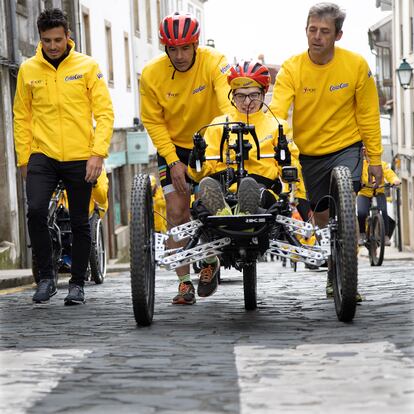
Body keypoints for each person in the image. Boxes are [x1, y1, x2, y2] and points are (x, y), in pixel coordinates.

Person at [269, 2, 383, 299]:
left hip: (347, 146)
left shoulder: (356, 65)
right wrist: (276, 146)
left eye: (324, 31)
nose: (317, 37)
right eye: (312, 30)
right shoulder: (292, 68)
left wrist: (376, 159)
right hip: (308, 154)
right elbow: (278, 114)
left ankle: (348, 278)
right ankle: (334, 268)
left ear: (338, 35)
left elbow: (369, 115)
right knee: (322, 219)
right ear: (305, 31)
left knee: (343, 210)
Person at [13, 8, 114, 305]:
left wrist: (97, 153)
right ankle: (46, 278)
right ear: (40, 39)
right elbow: (22, 117)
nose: (53, 45)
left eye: (58, 39)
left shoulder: (87, 66)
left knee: (80, 221)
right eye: (47, 40)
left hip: (80, 155)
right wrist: (23, 159)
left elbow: (105, 113)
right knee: (35, 211)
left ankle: (77, 284)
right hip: (42, 155)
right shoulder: (28, 69)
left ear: (68, 36)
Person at [188, 60, 304, 298]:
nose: (247, 102)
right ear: (232, 96)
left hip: (262, 193)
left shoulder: (277, 126)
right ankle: (228, 216)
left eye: (253, 95)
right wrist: (196, 159)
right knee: (206, 186)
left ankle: (240, 213)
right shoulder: (218, 125)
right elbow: (199, 172)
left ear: (264, 94)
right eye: (240, 96)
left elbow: (291, 166)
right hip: (224, 191)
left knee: (251, 187)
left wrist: (288, 168)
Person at [140, 12, 234, 305]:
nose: (179, 56)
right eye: (172, 49)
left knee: (208, 206)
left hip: (211, 143)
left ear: (195, 44)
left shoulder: (214, 61)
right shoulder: (152, 74)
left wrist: (221, 142)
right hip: (174, 147)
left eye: (185, 48)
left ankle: (210, 261)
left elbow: (225, 104)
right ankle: (183, 283)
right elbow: (153, 122)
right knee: (177, 212)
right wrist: (172, 159)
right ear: (165, 48)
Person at [357, 148, 401, 246]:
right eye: (368, 154)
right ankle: (362, 233)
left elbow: (389, 173)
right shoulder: (360, 166)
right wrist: (359, 184)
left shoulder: (382, 164)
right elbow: (357, 177)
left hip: (379, 192)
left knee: (384, 211)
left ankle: (385, 236)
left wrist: (394, 180)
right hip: (364, 193)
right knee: (361, 213)